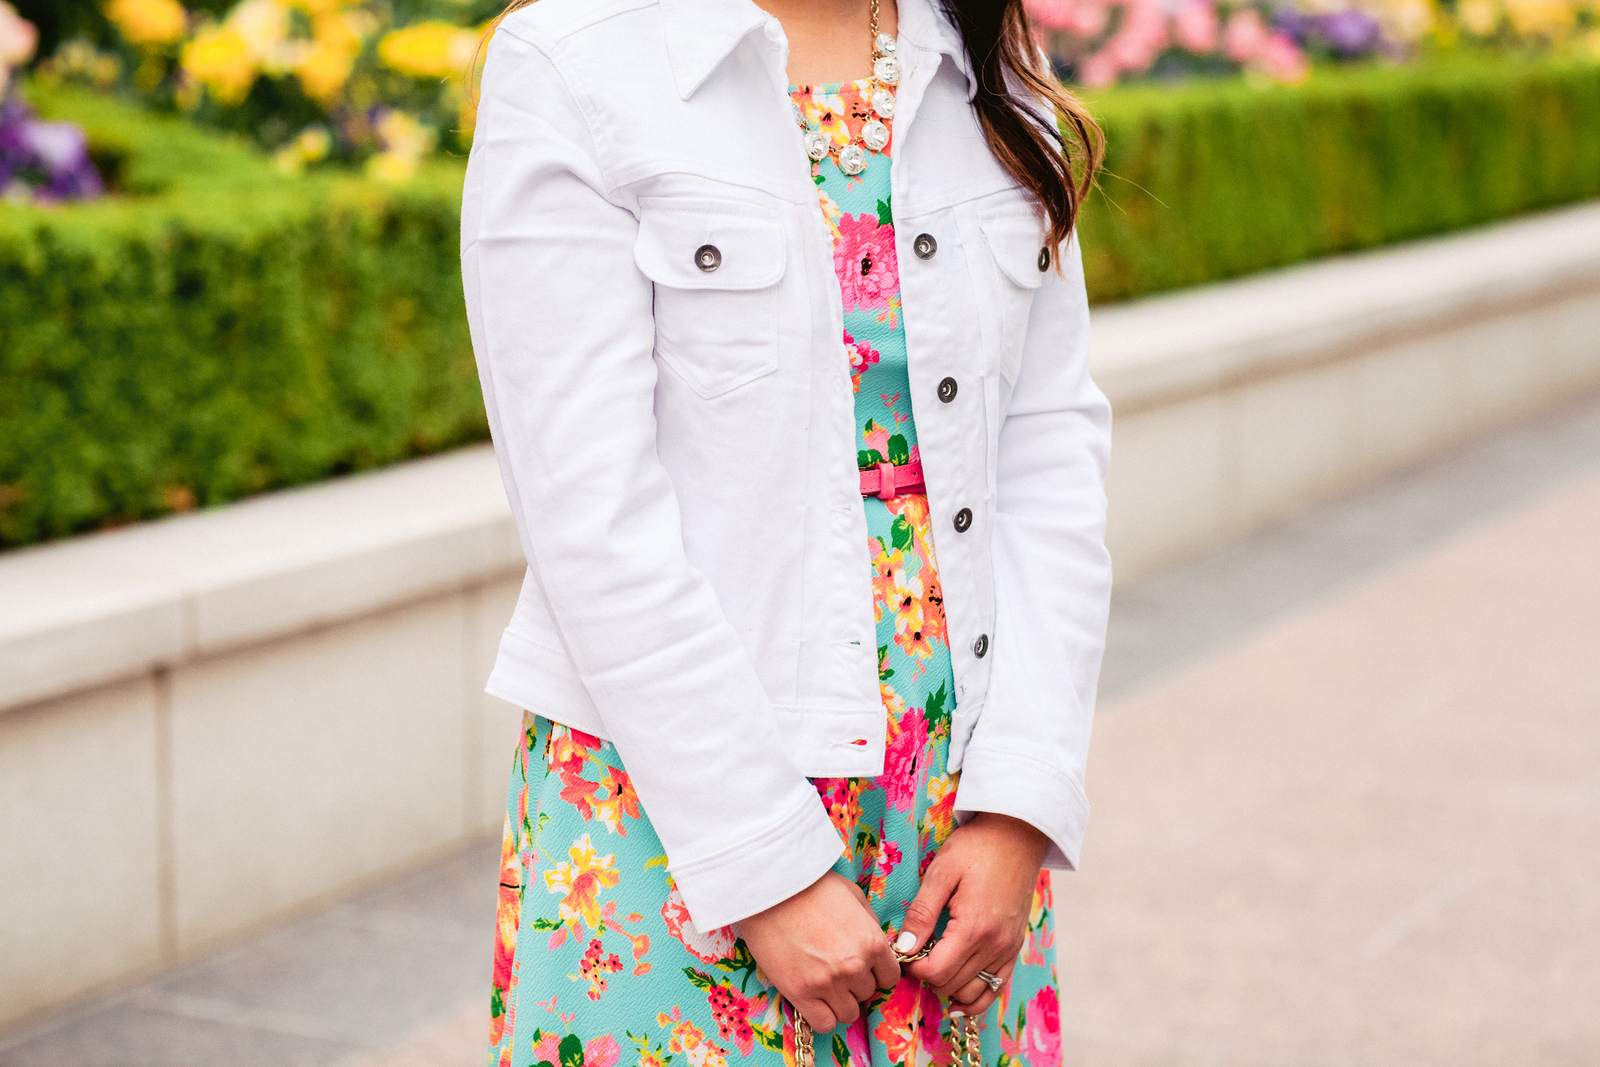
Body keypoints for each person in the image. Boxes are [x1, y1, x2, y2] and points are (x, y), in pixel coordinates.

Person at [461, 0, 1110, 1063]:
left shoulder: (982, 65)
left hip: (953, 816)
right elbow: (588, 514)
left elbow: (1049, 456)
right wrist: (766, 867)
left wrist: (1019, 810)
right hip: (676, 802)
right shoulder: (578, 61)